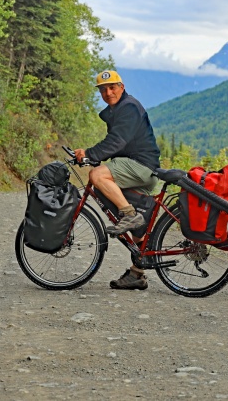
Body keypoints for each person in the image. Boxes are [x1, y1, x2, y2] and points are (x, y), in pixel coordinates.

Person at [74, 70, 161, 291]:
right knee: (130, 215)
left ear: (121, 87)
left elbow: (117, 141)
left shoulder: (129, 107)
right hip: (139, 166)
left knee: (97, 176)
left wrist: (90, 155)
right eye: (103, 89)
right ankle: (137, 273)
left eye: (112, 87)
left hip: (141, 165)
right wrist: (91, 155)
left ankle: (130, 215)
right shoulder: (118, 109)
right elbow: (116, 143)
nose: (108, 92)